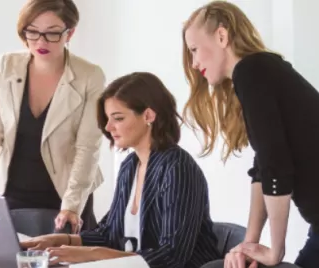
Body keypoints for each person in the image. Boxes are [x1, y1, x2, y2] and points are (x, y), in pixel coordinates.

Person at [182, 2, 319, 268]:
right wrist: (250, 244)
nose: (193, 62)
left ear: (221, 37)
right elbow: (263, 168)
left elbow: (276, 168)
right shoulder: (260, 70)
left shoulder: (251, 72)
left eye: (195, 50)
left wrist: (275, 251)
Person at [20, 72, 221, 268]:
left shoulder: (177, 168)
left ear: (148, 115)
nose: (108, 127)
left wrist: (92, 255)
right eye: (108, 118)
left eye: (118, 118)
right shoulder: (130, 165)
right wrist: (59, 240)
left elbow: (171, 255)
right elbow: (109, 234)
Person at [0, 0, 104, 234]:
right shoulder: (5, 66)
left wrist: (71, 205)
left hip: (65, 196)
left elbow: (87, 147)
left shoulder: (90, 75)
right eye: (32, 32)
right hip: (11, 193)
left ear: (70, 33)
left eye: (52, 33)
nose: (40, 41)